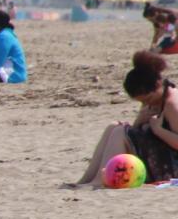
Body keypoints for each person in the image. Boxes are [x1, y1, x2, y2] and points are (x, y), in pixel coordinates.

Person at [74, 52, 178, 187]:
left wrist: (158, 130)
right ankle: (87, 179)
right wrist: (140, 120)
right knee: (114, 127)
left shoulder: (172, 104)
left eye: (148, 99)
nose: (147, 104)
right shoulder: (154, 99)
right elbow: (135, 133)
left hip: (171, 166)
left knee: (120, 132)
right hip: (160, 155)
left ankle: (100, 180)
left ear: (158, 85)